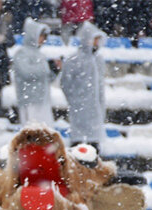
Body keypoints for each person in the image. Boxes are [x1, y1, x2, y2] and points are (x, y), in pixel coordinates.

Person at [61, 22, 107, 150]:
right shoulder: (74, 59)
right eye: (94, 39)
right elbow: (65, 83)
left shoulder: (98, 60)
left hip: (95, 111)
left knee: (94, 148)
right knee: (78, 146)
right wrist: (75, 100)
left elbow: (100, 87)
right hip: (79, 110)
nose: (96, 43)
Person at [13, 18, 59, 126]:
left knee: (45, 132)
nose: (43, 39)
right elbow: (26, 73)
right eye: (41, 36)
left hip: (43, 101)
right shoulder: (21, 53)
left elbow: (46, 78)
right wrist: (47, 68)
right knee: (32, 131)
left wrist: (54, 69)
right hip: (29, 101)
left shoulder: (40, 55)